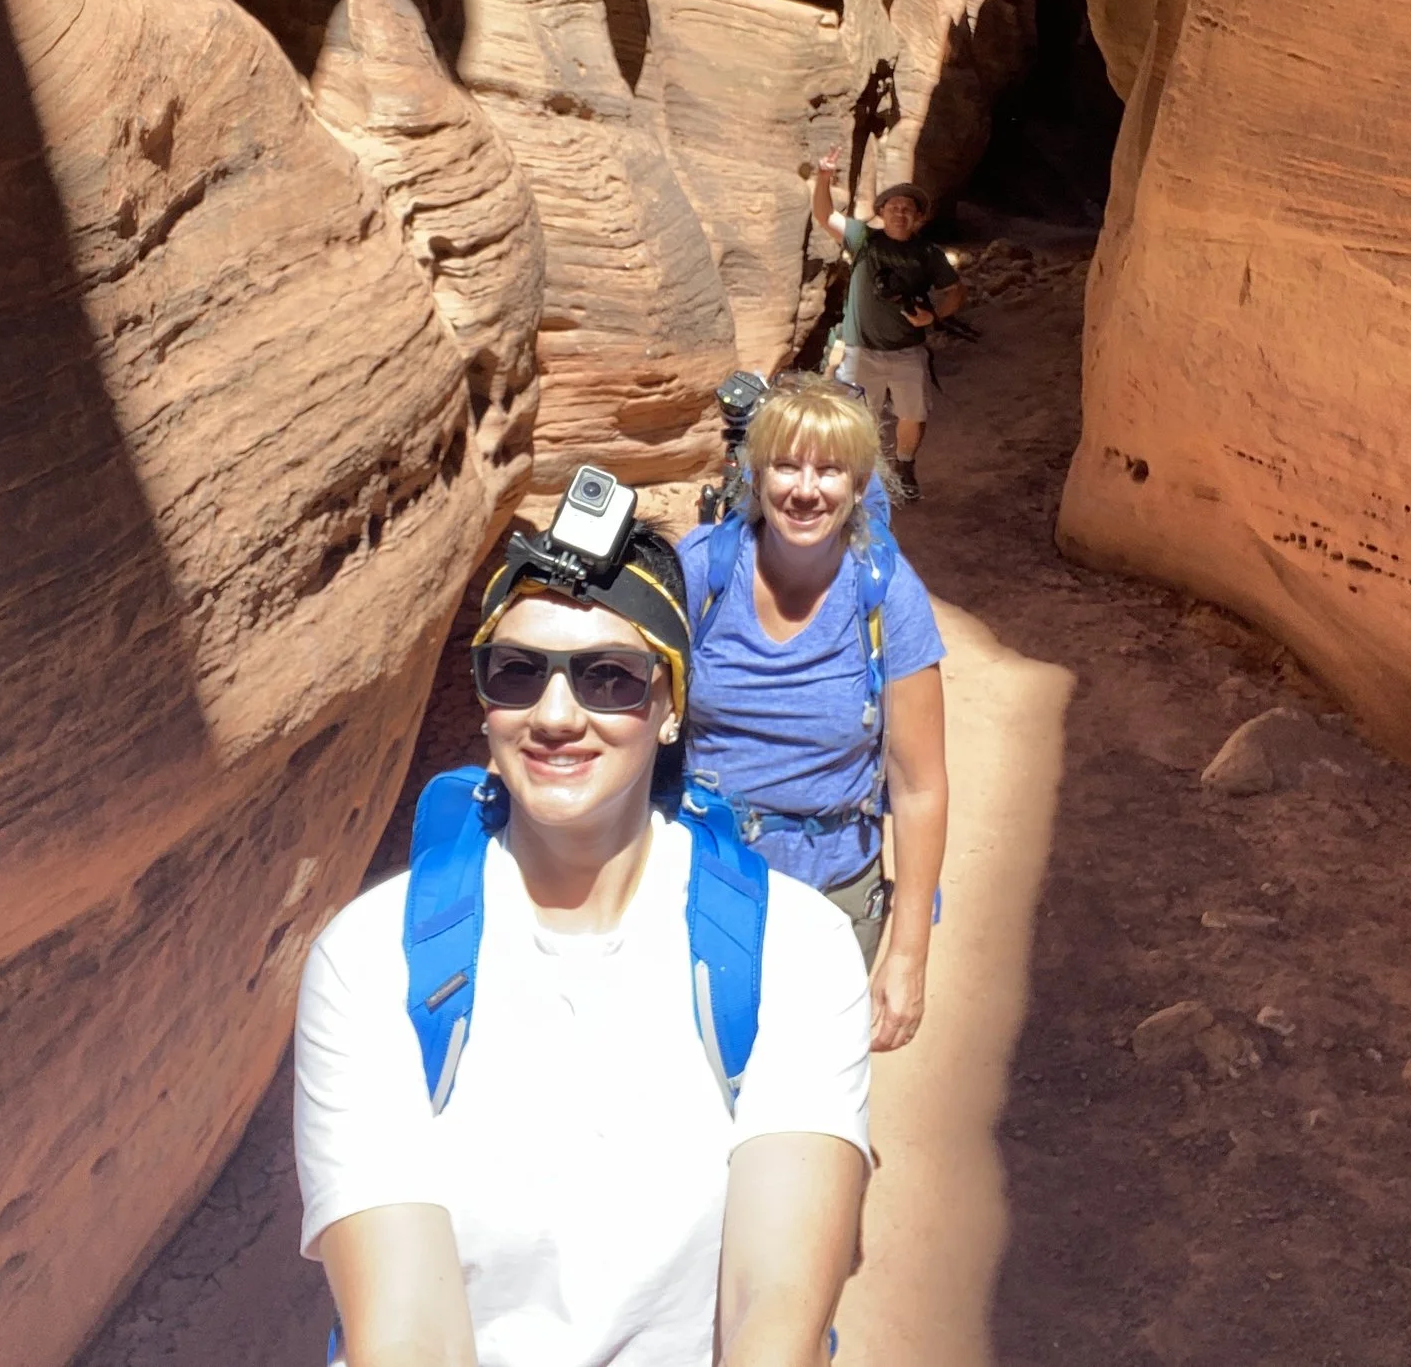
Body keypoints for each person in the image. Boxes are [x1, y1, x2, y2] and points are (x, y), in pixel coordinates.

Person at [294, 487, 872, 1367]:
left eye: (610, 677)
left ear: (670, 707)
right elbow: (408, 1336)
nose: (557, 716)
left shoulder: (797, 950)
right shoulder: (369, 960)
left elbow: (779, 1308)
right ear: (485, 703)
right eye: (518, 672)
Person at [677, 377, 949, 1051]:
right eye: (786, 465)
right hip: (700, 885)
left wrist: (908, 954)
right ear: (755, 472)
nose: (806, 488)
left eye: (829, 469)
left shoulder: (888, 597)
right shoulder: (700, 572)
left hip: (834, 894)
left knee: (807, 1097)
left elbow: (919, 787)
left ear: (857, 486)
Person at [810, 146, 963, 501]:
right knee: (857, 420)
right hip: (861, 350)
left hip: (907, 351)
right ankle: (856, 480)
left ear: (919, 218)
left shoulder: (927, 254)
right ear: (880, 213)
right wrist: (823, 177)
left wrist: (936, 316)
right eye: (893, 207)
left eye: (908, 209)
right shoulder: (864, 240)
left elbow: (955, 290)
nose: (900, 213)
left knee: (913, 414)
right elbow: (824, 214)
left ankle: (904, 465)